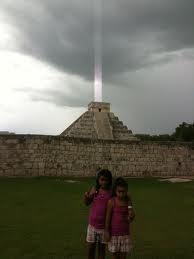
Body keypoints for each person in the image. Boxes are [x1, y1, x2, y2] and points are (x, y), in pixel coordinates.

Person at [84, 169, 113, 259]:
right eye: (102, 179)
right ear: (98, 180)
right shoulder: (95, 190)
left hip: (104, 227)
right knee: (90, 248)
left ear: (109, 181)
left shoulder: (111, 194)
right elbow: (86, 203)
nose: (104, 182)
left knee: (101, 249)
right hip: (92, 225)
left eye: (106, 180)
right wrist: (87, 196)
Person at [105, 177, 135, 259]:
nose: (121, 194)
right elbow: (108, 218)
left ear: (127, 191)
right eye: (119, 191)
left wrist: (131, 216)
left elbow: (131, 214)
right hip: (114, 234)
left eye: (123, 192)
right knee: (115, 256)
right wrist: (107, 231)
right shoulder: (111, 202)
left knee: (123, 256)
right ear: (115, 191)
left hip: (125, 234)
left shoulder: (127, 201)